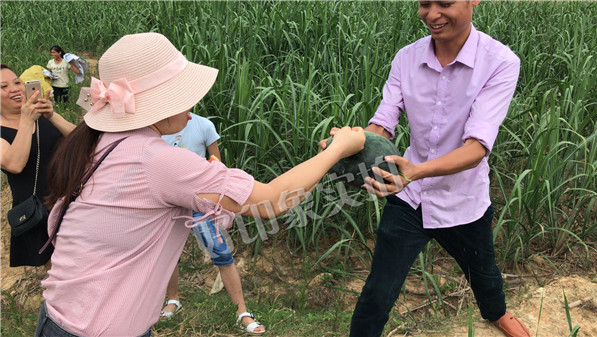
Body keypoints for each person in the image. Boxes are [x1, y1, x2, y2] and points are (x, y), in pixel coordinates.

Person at [35, 32, 364, 337]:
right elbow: (275, 200)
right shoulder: (159, 160)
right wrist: (338, 148)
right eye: (183, 97)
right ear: (157, 105)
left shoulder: (100, 141)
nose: (191, 111)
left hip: (59, 316)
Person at [324, 2, 530, 337]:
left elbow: (476, 148)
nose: (432, 14)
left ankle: (497, 313)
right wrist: (349, 145)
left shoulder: (500, 62)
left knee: (484, 274)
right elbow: (383, 123)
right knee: (378, 289)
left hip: (463, 199)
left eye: (445, 3)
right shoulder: (407, 58)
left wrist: (415, 172)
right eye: (424, 3)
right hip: (409, 198)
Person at [160, 114, 266, 334]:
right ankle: (173, 300)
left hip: (199, 202)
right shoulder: (157, 125)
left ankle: (242, 312)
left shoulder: (204, 126)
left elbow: (217, 167)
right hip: (169, 202)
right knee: (169, 256)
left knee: (221, 253)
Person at [1, 64, 76, 269]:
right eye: (4, 86)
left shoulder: (42, 116)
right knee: (58, 269)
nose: (15, 88)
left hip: (69, 198)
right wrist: (26, 121)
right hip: (39, 209)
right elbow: (14, 164)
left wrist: (52, 116)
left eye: (17, 82)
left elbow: (81, 141)